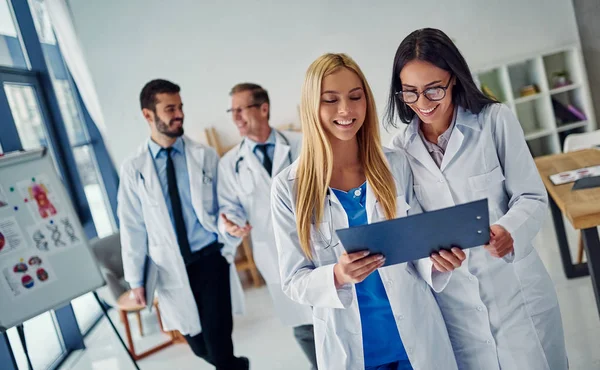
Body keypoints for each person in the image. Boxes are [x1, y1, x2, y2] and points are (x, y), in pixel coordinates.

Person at [385, 28, 568, 369]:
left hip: (516, 293)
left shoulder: (494, 121)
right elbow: (409, 228)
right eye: (410, 93)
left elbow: (531, 195)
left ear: (454, 78)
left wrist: (509, 231)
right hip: (458, 305)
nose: (423, 104)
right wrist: (431, 263)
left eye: (433, 90)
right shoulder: (399, 151)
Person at [271, 53, 464, 370]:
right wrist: (338, 274)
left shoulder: (395, 164)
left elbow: (415, 244)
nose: (346, 110)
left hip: (414, 337)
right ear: (311, 107)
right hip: (353, 349)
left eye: (355, 97)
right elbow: (293, 280)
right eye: (330, 100)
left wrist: (438, 260)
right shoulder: (289, 186)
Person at [118, 79, 249, 370]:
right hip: (170, 268)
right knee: (198, 344)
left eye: (180, 107)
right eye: (170, 109)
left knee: (219, 344)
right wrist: (136, 280)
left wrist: (229, 222)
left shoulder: (204, 156)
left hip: (210, 260)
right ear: (148, 115)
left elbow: (225, 203)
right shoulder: (134, 168)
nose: (179, 114)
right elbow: (132, 226)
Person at [217, 82, 318, 369]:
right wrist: (232, 225)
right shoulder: (230, 164)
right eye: (232, 111)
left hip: (315, 241)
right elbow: (229, 208)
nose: (236, 117)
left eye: (241, 109)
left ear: (264, 109)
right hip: (273, 252)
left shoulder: (303, 143)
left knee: (333, 310)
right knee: (301, 323)